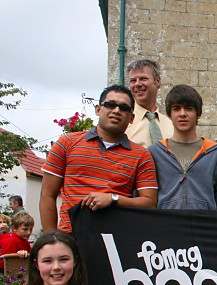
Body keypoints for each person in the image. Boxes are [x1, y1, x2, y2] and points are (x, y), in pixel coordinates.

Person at [40, 85, 158, 233]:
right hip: (70, 238)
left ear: (131, 118)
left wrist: (113, 199)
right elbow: (47, 195)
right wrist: (51, 240)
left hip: (117, 239)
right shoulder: (67, 143)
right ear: (98, 109)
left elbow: (149, 203)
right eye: (110, 105)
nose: (116, 111)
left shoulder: (141, 155)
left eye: (124, 108)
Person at [149, 84, 217, 210]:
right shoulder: (155, 153)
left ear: (199, 114)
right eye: (176, 108)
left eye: (189, 108)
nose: (182, 114)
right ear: (169, 114)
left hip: (204, 225)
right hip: (166, 225)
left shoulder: (216, 152)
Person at [126, 59, 173, 147]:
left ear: (157, 81)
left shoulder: (171, 125)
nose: (137, 84)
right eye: (133, 80)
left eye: (143, 79)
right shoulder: (123, 123)